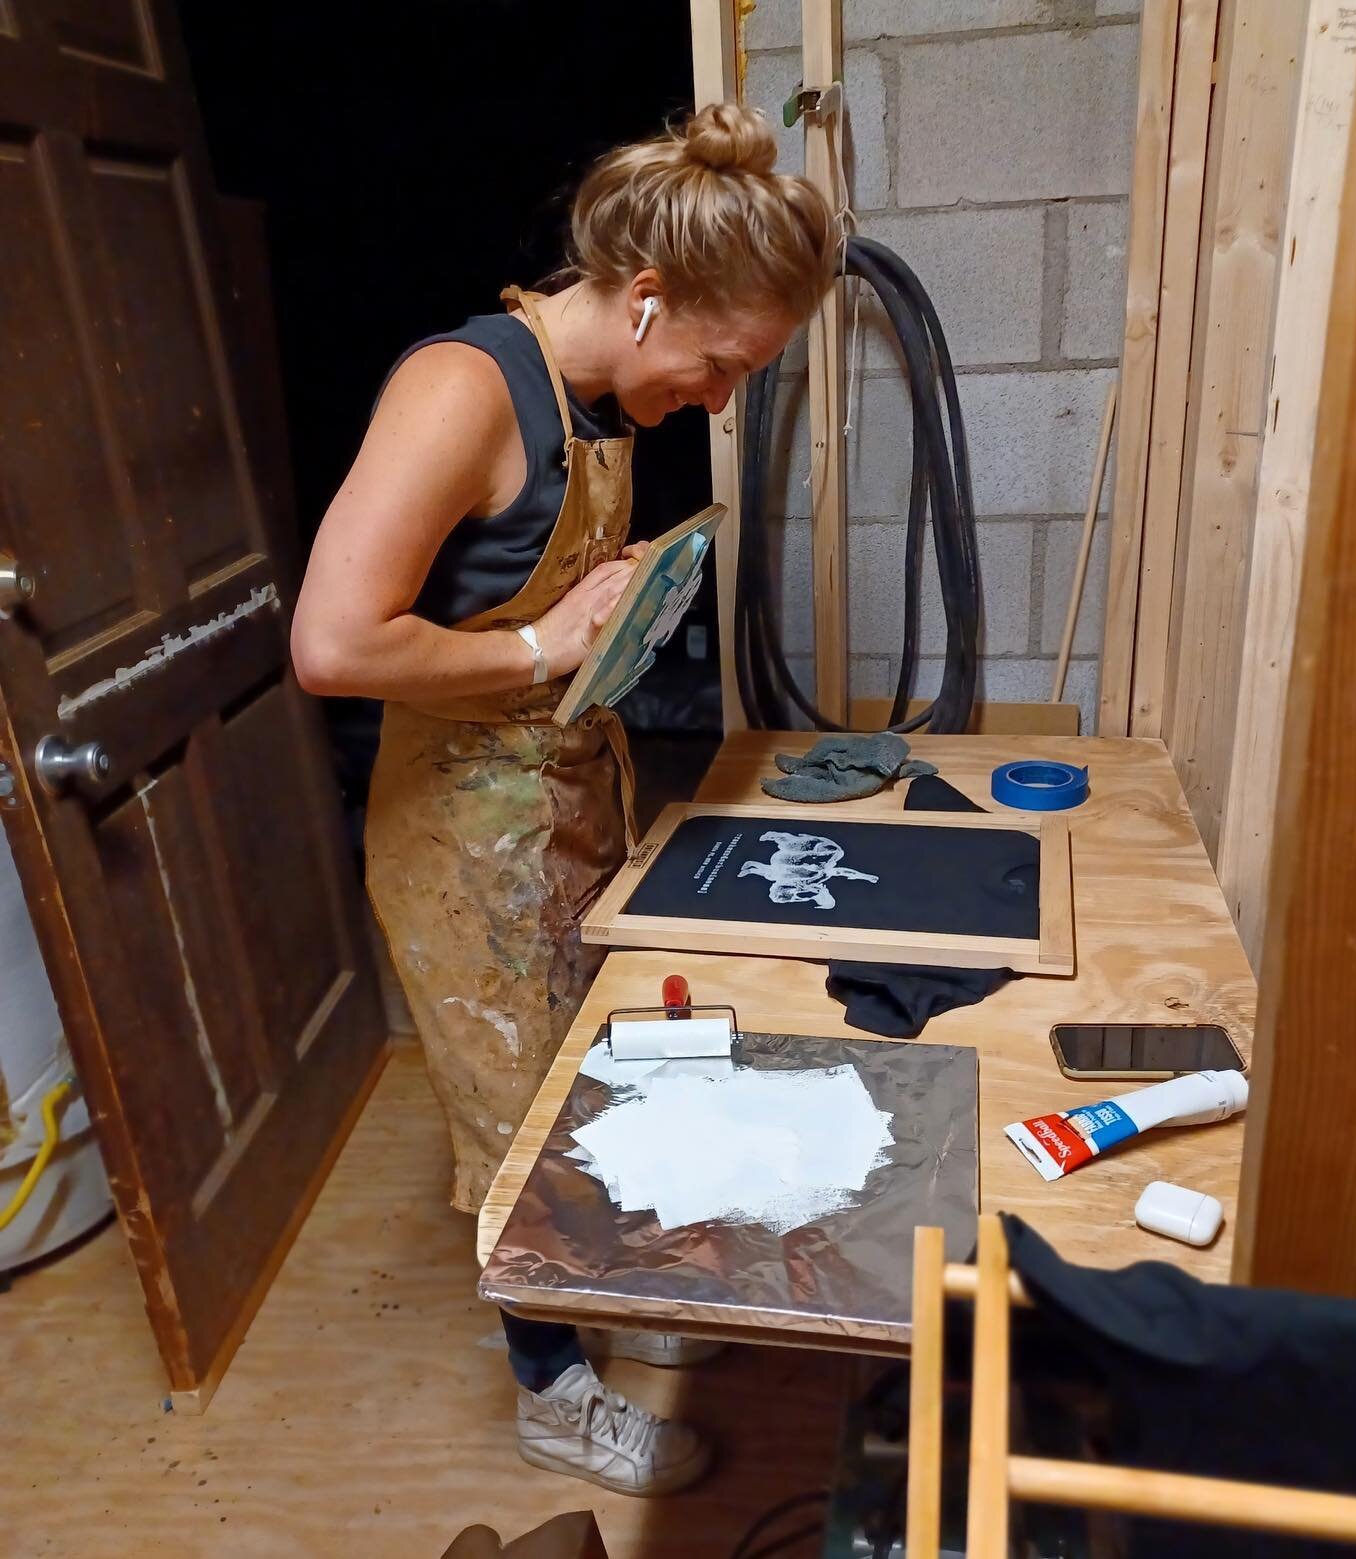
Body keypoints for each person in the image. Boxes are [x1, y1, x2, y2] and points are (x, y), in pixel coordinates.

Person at [291, 103, 834, 1495]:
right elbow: (333, 644)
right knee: (517, 1116)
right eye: (721, 367)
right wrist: (543, 645)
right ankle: (552, 1390)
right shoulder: (462, 389)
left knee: (614, 1067)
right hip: (466, 824)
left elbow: (540, 577)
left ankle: (630, 1284)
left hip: (568, 781)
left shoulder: (607, 392)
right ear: (648, 301)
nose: (718, 401)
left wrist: (623, 605)